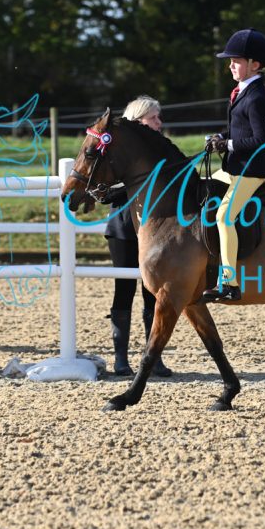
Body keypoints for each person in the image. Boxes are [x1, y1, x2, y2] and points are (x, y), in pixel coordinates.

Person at [202, 28, 265, 303]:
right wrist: (220, 137)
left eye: (236, 61)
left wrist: (228, 144)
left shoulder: (256, 96)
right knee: (202, 187)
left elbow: (261, 139)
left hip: (252, 170)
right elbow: (238, 128)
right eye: (231, 61)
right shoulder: (242, 91)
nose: (231, 66)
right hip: (235, 166)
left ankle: (230, 283)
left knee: (224, 217)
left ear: (254, 65)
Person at [105, 96, 172, 378]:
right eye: (153, 118)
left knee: (152, 293)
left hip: (156, 228)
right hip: (123, 226)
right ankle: (120, 359)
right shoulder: (118, 151)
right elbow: (106, 190)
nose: (159, 123)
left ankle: (153, 356)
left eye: (158, 117)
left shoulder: (163, 147)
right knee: (124, 289)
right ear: (138, 121)